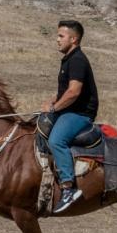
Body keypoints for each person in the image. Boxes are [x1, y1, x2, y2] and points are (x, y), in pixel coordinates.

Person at [41, 20, 99, 214]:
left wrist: (55, 109)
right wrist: (50, 103)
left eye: (61, 36)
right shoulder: (68, 59)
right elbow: (64, 91)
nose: (57, 40)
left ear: (73, 39)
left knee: (57, 140)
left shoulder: (77, 60)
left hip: (80, 113)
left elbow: (74, 92)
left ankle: (68, 188)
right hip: (69, 110)